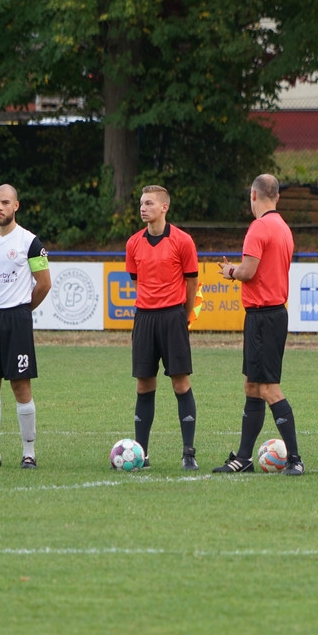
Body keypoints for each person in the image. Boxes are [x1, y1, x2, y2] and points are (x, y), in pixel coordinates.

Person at [212, 174, 304, 476]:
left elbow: (249, 271)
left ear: (253, 195)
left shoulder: (259, 228)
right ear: (276, 196)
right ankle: (243, 458)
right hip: (269, 315)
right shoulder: (283, 227)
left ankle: (295, 459)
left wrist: (230, 271)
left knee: (268, 388)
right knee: (252, 386)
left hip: (264, 316)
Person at [0, 184, 51, 469]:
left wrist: (23, 309)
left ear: (16, 206)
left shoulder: (31, 242)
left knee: (20, 385)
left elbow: (44, 283)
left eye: (4, 202)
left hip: (17, 319)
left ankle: (29, 453)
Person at [124, 185, 200, 470]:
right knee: (144, 384)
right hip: (144, 319)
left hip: (173, 318)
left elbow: (192, 283)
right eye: (141, 204)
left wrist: (183, 316)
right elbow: (136, 281)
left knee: (180, 383)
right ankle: (141, 455)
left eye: (149, 204)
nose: (143, 208)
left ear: (164, 207)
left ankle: (188, 453)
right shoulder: (133, 243)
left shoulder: (183, 241)